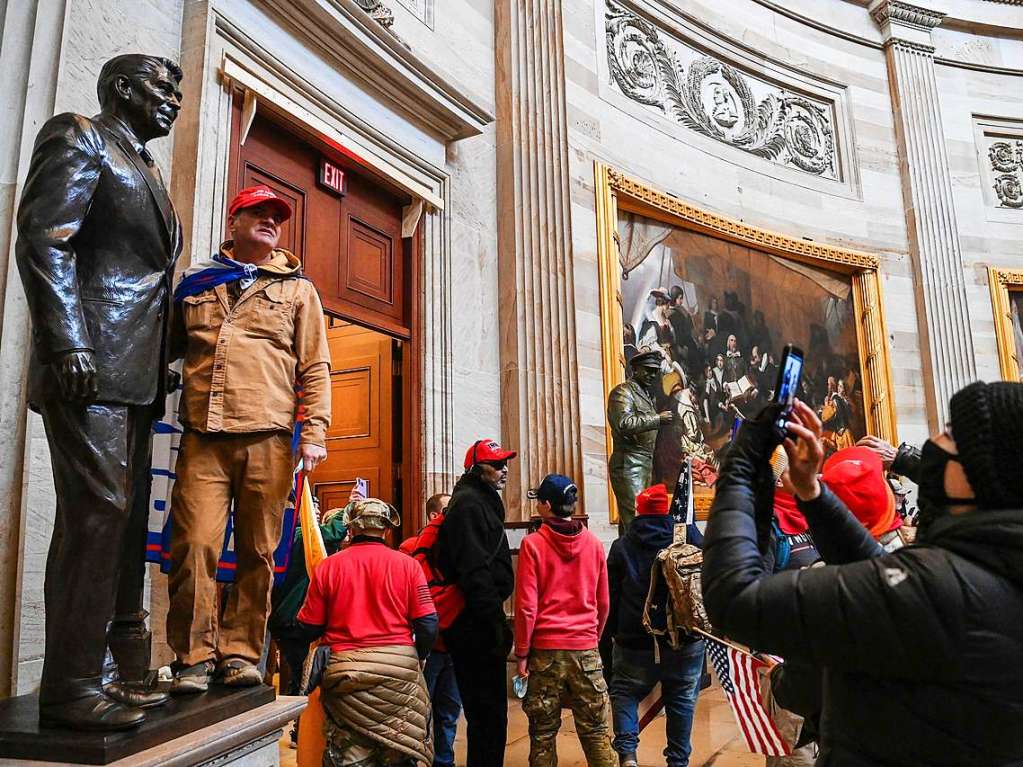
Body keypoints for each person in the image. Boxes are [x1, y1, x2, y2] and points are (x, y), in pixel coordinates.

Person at [702, 383, 1023, 766]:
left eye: (951, 434)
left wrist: (739, 466)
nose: (935, 441)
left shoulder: (935, 589)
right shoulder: (996, 562)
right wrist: (813, 495)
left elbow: (734, 600)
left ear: (982, 474)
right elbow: (881, 567)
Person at [15, 53, 184, 728]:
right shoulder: (79, 134)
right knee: (97, 513)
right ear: (120, 88)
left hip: (135, 372)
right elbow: (44, 239)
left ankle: (115, 669)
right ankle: (71, 685)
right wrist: (68, 341)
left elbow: (148, 276)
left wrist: (164, 357)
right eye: (160, 88)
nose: (172, 100)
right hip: (89, 359)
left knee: (122, 517)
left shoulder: (145, 164)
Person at [166, 185, 331, 692]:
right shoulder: (196, 285)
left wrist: (315, 432)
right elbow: (164, 355)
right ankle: (192, 657)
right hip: (203, 437)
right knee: (193, 546)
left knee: (259, 552)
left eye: (276, 217)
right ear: (232, 222)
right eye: (257, 212)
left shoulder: (298, 291)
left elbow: (316, 366)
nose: (270, 221)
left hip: (269, 440)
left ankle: (239, 653)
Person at [297, 498, 437, 766]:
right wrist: (418, 654)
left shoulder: (329, 567)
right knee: (400, 752)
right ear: (386, 529)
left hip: (346, 675)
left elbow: (308, 626)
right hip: (398, 673)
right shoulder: (408, 566)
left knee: (349, 756)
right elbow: (428, 623)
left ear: (351, 528)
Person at [514, 474, 615, 767]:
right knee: (596, 731)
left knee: (543, 733)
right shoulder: (594, 544)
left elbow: (526, 607)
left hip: (545, 650)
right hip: (585, 646)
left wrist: (522, 653)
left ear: (546, 505)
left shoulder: (533, 545)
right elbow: (603, 602)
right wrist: (591, 638)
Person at [606, 484, 705, 767]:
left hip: (635, 640)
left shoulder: (623, 545)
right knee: (682, 700)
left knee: (624, 692)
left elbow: (610, 597)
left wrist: (614, 635)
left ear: (639, 510)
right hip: (685, 640)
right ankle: (678, 761)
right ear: (666, 509)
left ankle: (628, 756)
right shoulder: (689, 536)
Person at [435, 440, 517, 767]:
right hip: (475, 626)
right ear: (475, 469)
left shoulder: (480, 501)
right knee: (486, 715)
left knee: (489, 716)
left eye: (504, 463)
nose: (504, 470)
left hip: (479, 623)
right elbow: (473, 570)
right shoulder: (468, 505)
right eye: (496, 465)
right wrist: (495, 627)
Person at [270, 484, 358, 700]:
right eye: (311, 508)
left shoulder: (302, 539)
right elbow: (328, 534)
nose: (316, 513)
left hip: (297, 615)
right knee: (300, 679)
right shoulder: (295, 536)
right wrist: (350, 507)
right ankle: (296, 725)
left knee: (300, 676)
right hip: (293, 616)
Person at [401, 493, 463, 767]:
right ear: (432, 516)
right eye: (448, 510)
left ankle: (443, 761)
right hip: (426, 647)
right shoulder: (410, 550)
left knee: (449, 711)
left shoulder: (461, 548)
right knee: (417, 710)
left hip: (455, 645)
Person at [608, 351, 673, 528]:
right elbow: (623, 423)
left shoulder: (643, 395)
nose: (652, 375)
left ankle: (624, 556)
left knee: (632, 522)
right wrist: (657, 419)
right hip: (629, 463)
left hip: (643, 463)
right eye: (648, 370)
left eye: (655, 371)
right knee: (637, 521)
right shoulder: (623, 392)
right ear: (635, 369)